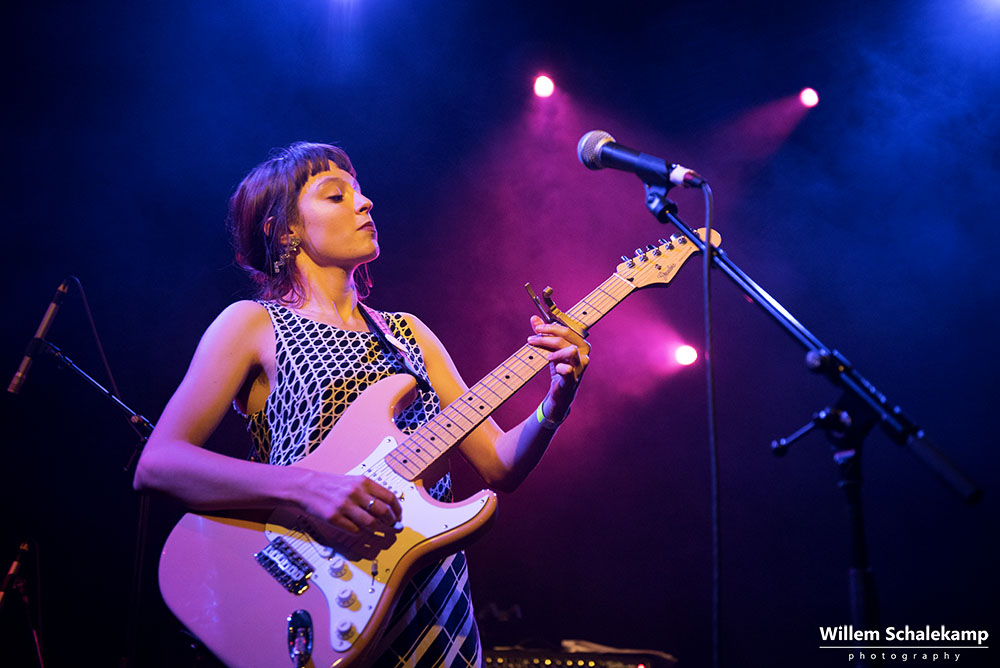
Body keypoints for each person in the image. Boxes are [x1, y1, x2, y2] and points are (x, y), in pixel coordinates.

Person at [133, 141, 590, 667]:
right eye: (336, 195)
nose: (365, 202)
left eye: (360, 190)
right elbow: (159, 463)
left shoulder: (409, 333)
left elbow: (499, 464)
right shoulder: (251, 323)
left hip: (432, 600)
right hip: (314, 591)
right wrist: (308, 486)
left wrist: (556, 400)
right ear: (285, 230)